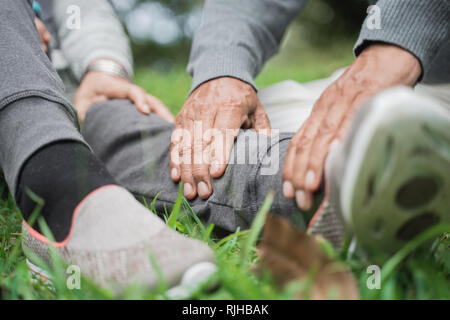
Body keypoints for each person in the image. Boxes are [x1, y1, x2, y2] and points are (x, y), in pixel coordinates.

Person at [0, 0, 214, 293]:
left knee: (129, 128)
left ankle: (277, 180)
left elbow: (81, 7)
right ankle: (58, 191)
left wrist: (103, 67)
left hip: (70, 100)